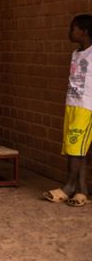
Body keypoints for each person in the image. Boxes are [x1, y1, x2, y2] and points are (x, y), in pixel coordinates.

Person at [43, 14, 92, 207]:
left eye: (73, 29)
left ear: (84, 32)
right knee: (75, 149)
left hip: (86, 107)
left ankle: (69, 187)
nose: (70, 32)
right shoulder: (76, 54)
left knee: (75, 148)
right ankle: (82, 191)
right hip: (72, 104)